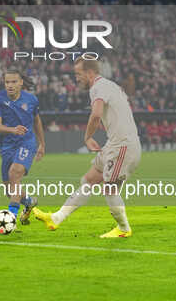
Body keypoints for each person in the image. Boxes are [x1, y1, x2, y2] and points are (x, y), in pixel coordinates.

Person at [33, 59, 141, 238]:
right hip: (114, 144)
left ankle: (123, 229)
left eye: (78, 74)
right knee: (89, 179)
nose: (76, 78)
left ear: (90, 73)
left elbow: (96, 114)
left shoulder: (97, 88)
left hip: (123, 145)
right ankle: (56, 218)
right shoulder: (110, 85)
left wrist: (87, 137)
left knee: (109, 189)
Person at [0, 69, 45, 225]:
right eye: (7, 82)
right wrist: (12, 129)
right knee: (9, 190)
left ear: (21, 82)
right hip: (7, 145)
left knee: (14, 173)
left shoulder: (31, 99)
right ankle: (28, 202)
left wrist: (42, 144)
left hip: (26, 142)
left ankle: (10, 218)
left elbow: (37, 121)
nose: (10, 85)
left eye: (14, 82)